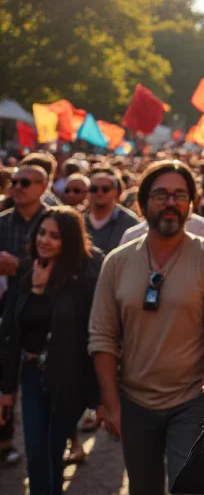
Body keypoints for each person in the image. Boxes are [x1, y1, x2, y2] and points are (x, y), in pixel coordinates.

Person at [88, 160, 204, 495]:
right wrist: (111, 404)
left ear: (191, 204)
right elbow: (102, 336)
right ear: (142, 203)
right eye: (161, 195)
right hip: (134, 402)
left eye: (179, 195)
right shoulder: (118, 261)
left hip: (192, 400)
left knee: (187, 486)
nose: (170, 202)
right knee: (143, 488)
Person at [0, 207, 102, 495]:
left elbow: (92, 332)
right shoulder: (25, 271)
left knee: (53, 451)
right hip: (32, 376)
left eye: (54, 236)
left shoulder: (86, 277)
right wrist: (6, 390)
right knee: (35, 452)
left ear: (68, 241)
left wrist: (100, 396)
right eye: (42, 233)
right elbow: (11, 332)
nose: (45, 240)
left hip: (70, 377)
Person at [0, 164, 49, 466]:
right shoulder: (2, 222)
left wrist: (18, 266)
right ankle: (5, 442)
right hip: (6, 314)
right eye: (14, 181)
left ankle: (48, 443)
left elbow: (69, 264)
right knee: (4, 379)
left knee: (38, 378)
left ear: (43, 186)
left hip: (44, 315)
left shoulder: (55, 221)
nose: (17, 187)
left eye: (25, 182)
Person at [83, 167, 138, 255]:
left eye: (105, 189)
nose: (99, 193)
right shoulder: (79, 220)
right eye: (94, 189)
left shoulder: (129, 222)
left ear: (116, 192)